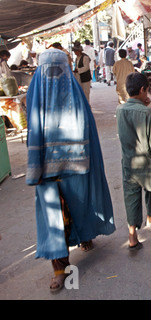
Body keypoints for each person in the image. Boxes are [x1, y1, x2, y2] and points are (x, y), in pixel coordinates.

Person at [25, 49, 115, 292]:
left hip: (77, 166)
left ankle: (86, 235)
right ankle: (59, 270)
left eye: (59, 70)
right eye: (49, 71)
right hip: (47, 169)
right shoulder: (36, 95)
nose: (54, 77)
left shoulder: (76, 95)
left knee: (80, 207)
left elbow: (90, 134)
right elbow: (31, 131)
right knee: (54, 220)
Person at [116, 72, 151, 250]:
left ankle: (132, 236)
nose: (147, 95)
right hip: (147, 162)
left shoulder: (120, 110)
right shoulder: (146, 112)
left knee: (131, 196)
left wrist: (142, 103)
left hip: (129, 162)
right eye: (147, 91)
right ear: (141, 90)